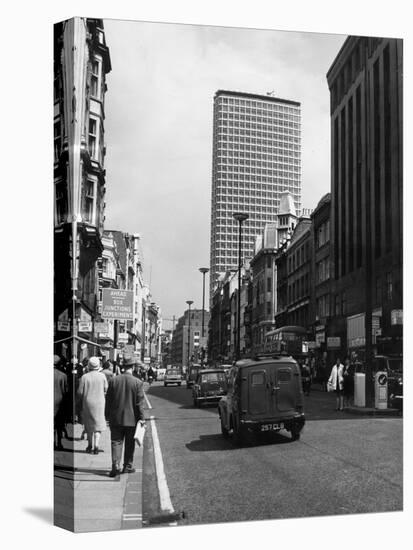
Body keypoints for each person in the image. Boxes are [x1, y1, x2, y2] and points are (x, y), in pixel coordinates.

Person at [105, 354, 146, 477]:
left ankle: (115, 465)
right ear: (133, 367)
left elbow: (109, 400)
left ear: (123, 366)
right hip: (132, 419)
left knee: (116, 442)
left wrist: (107, 416)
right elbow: (139, 403)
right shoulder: (138, 382)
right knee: (129, 443)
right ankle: (127, 466)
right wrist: (142, 418)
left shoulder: (113, 381)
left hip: (116, 418)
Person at [77, 357, 108, 454]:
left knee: (89, 425)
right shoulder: (102, 376)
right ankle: (96, 446)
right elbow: (106, 389)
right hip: (99, 403)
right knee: (98, 425)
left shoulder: (84, 377)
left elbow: (79, 392)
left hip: (87, 402)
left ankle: (90, 445)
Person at [54, 355, 68, 450]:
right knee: (59, 425)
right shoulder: (63, 375)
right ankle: (59, 443)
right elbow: (65, 391)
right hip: (59, 403)